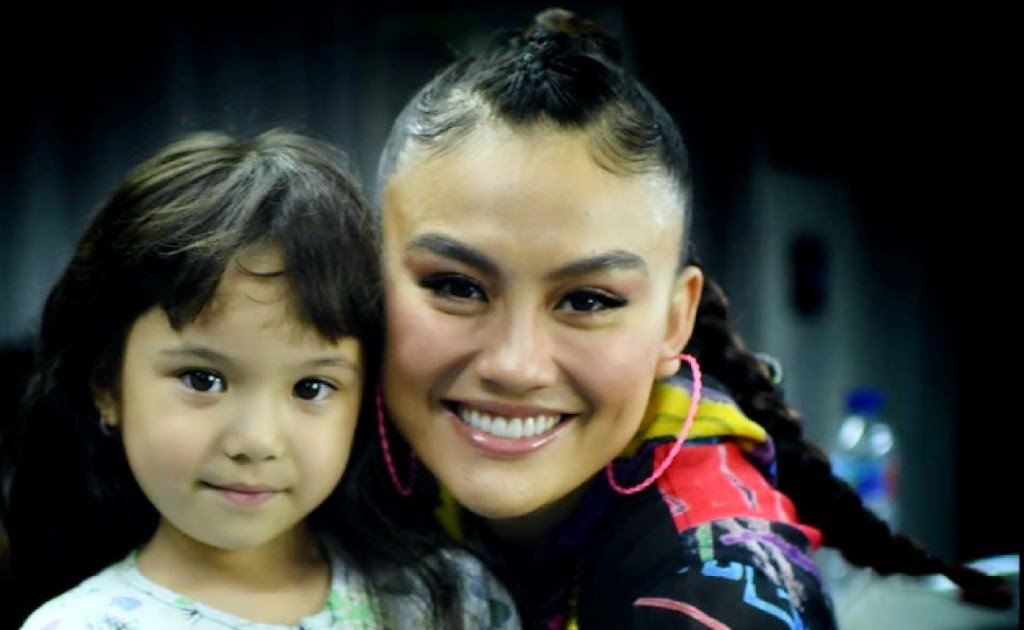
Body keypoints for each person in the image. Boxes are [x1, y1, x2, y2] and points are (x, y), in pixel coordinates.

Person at [373, 7, 1011, 629]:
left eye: (588, 300)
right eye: (455, 287)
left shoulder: (718, 593)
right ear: (367, 278)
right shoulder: (335, 431)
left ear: (674, 321)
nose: (515, 365)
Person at [0, 129, 520, 629]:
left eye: (311, 388)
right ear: (107, 386)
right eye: (202, 380)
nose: (256, 441)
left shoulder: (451, 602)